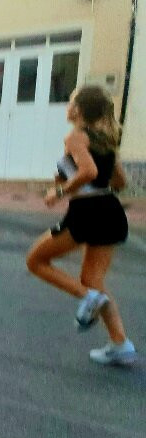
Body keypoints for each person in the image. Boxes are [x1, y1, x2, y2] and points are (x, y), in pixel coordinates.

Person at [26, 85, 136, 366]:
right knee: (94, 280)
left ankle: (88, 298)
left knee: (36, 260)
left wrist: (60, 193)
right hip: (110, 211)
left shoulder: (77, 137)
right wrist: (71, 181)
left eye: (71, 100)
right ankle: (120, 343)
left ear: (78, 109)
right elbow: (119, 181)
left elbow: (90, 171)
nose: (68, 104)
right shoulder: (105, 140)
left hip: (88, 214)